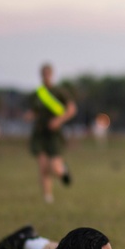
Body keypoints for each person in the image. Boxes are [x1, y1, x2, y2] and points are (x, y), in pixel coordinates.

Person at [27, 63, 77, 204]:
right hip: (40, 133)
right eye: (44, 73)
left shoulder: (59, 92)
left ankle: (63, 172)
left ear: (52, 74)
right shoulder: (37, 94)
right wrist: (29, 115)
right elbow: (34, 111)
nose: (46, 76)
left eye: (48, 73)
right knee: (43, 166)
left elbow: (72, 109)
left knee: (54, 167)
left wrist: (59, 121)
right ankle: (47, 197)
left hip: (54, 134)